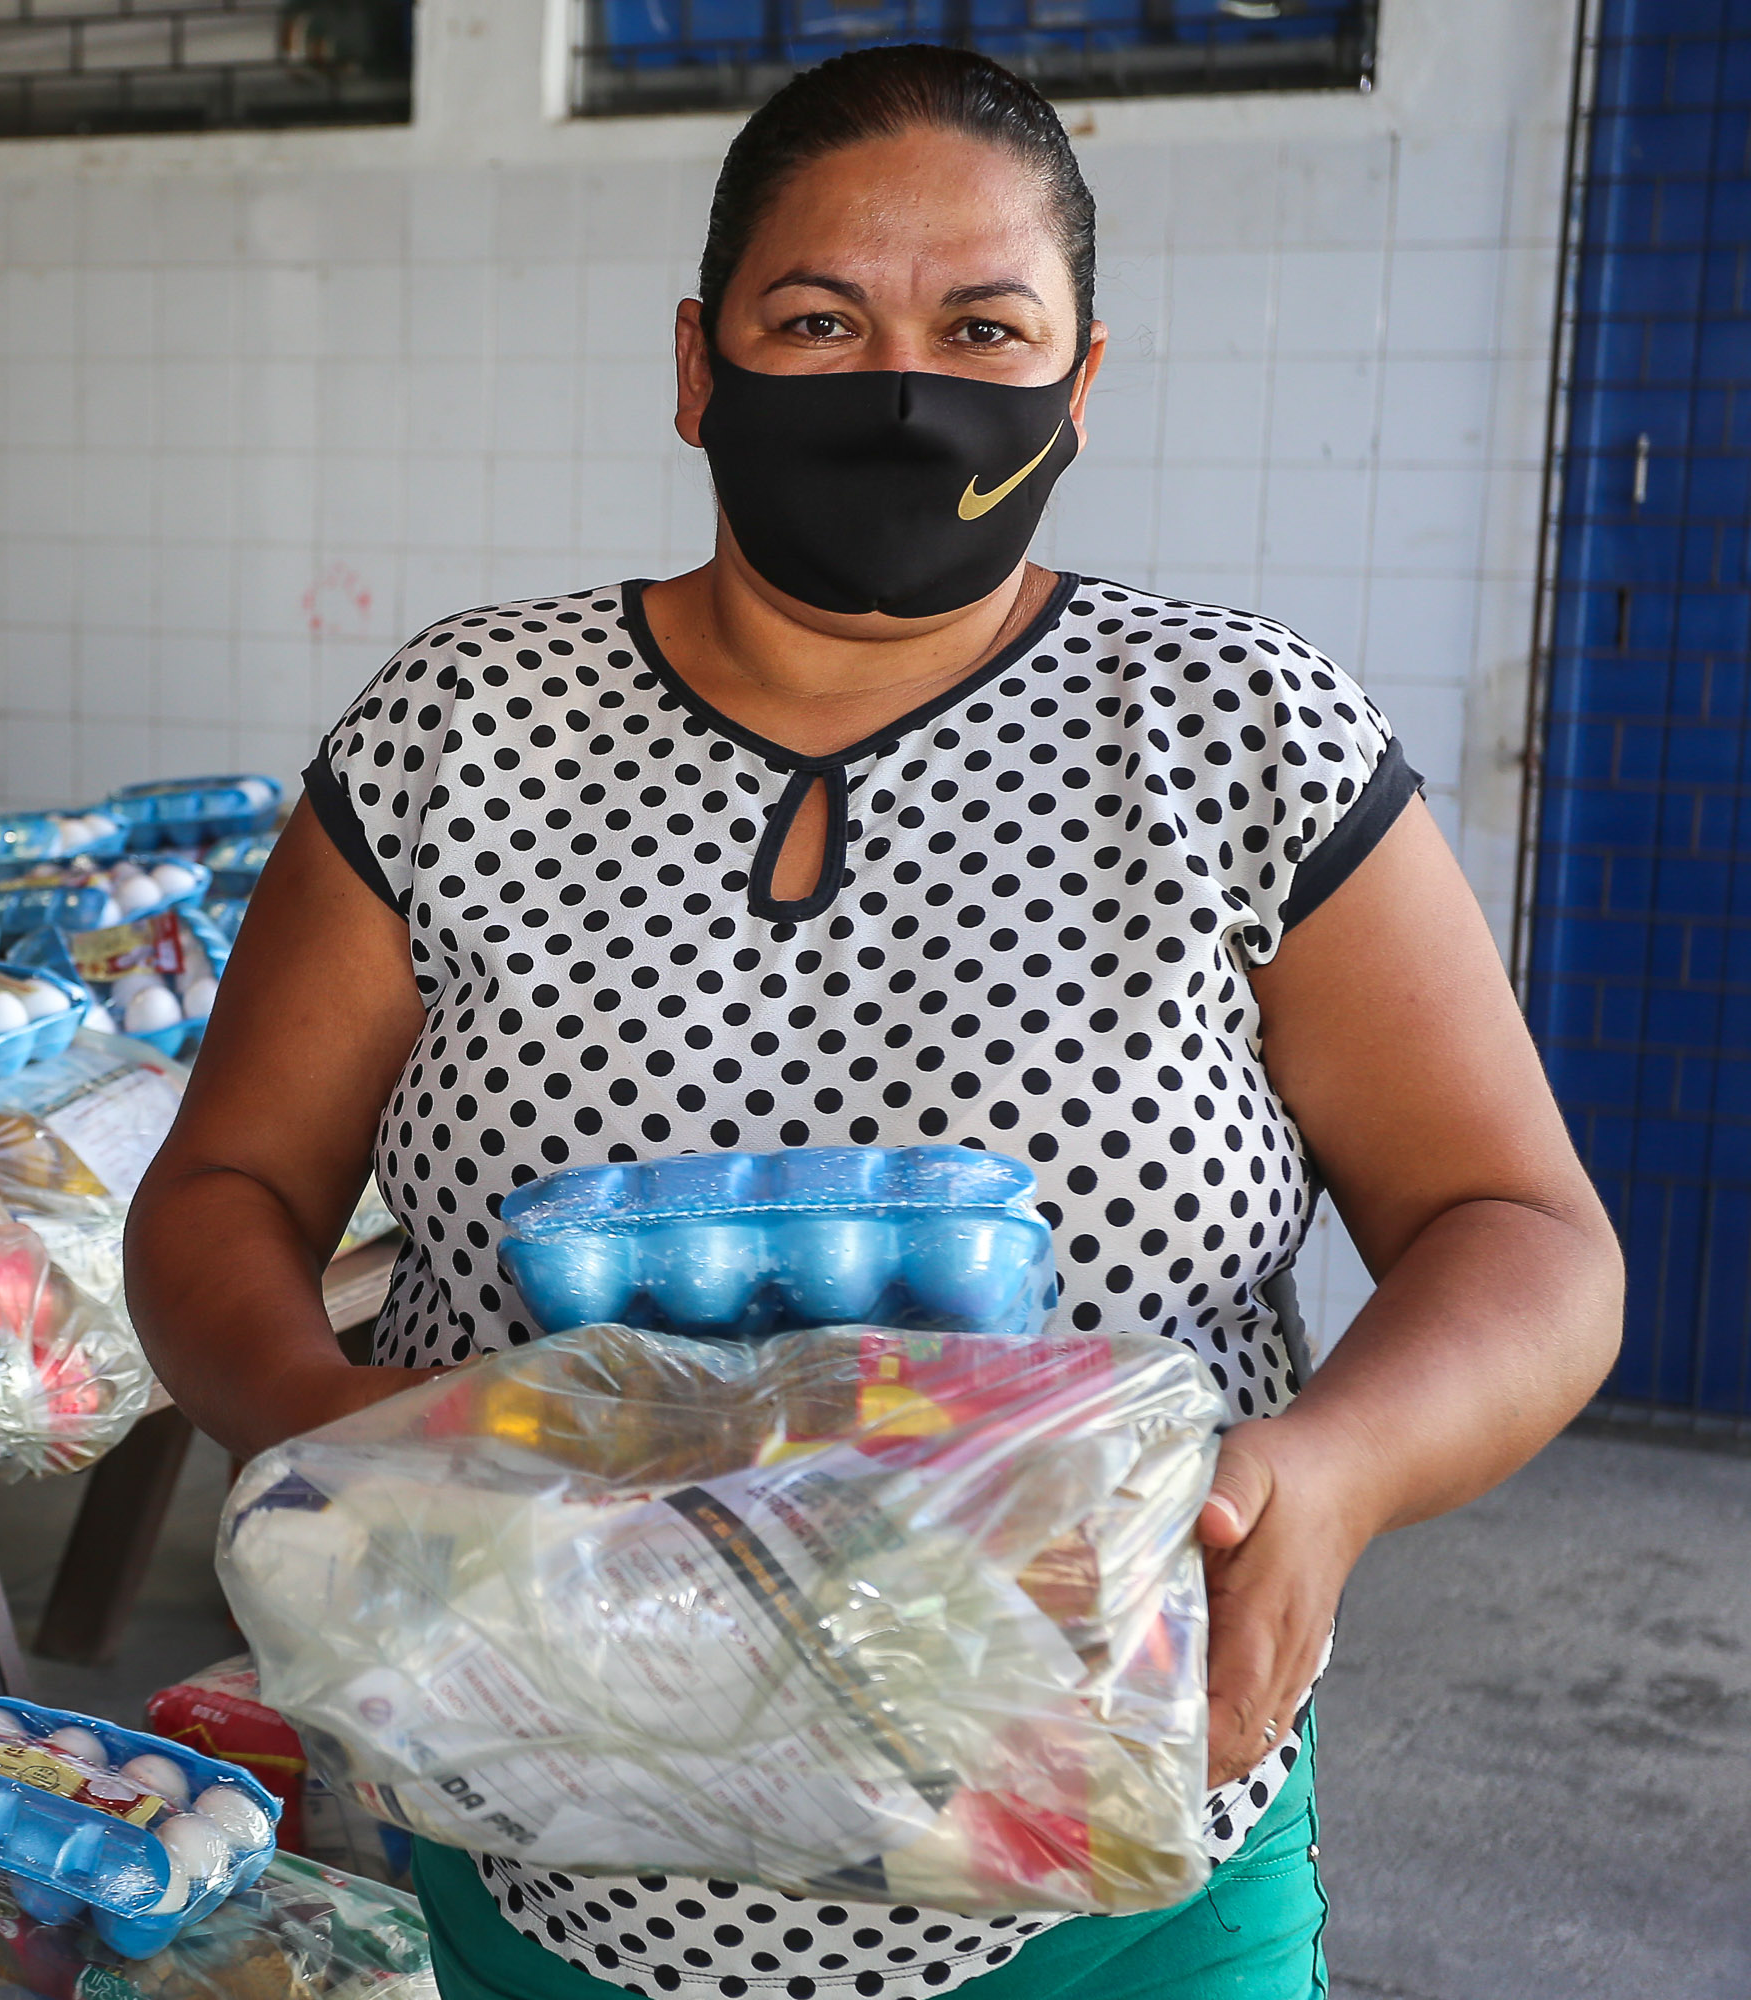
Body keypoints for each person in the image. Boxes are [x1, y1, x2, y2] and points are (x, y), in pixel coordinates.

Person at [123, 41, 1622, 2000]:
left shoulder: (1241, 736)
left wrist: (1337, 1466)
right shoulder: (463, 733)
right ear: (698, 365)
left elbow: (1522, 1234)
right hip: (550, 1861)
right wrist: (342, 1450)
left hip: (1112, 1888)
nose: (903, 392)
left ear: (1079, 387)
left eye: (984, 325)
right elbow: (222, 1187)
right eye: (815, 318)